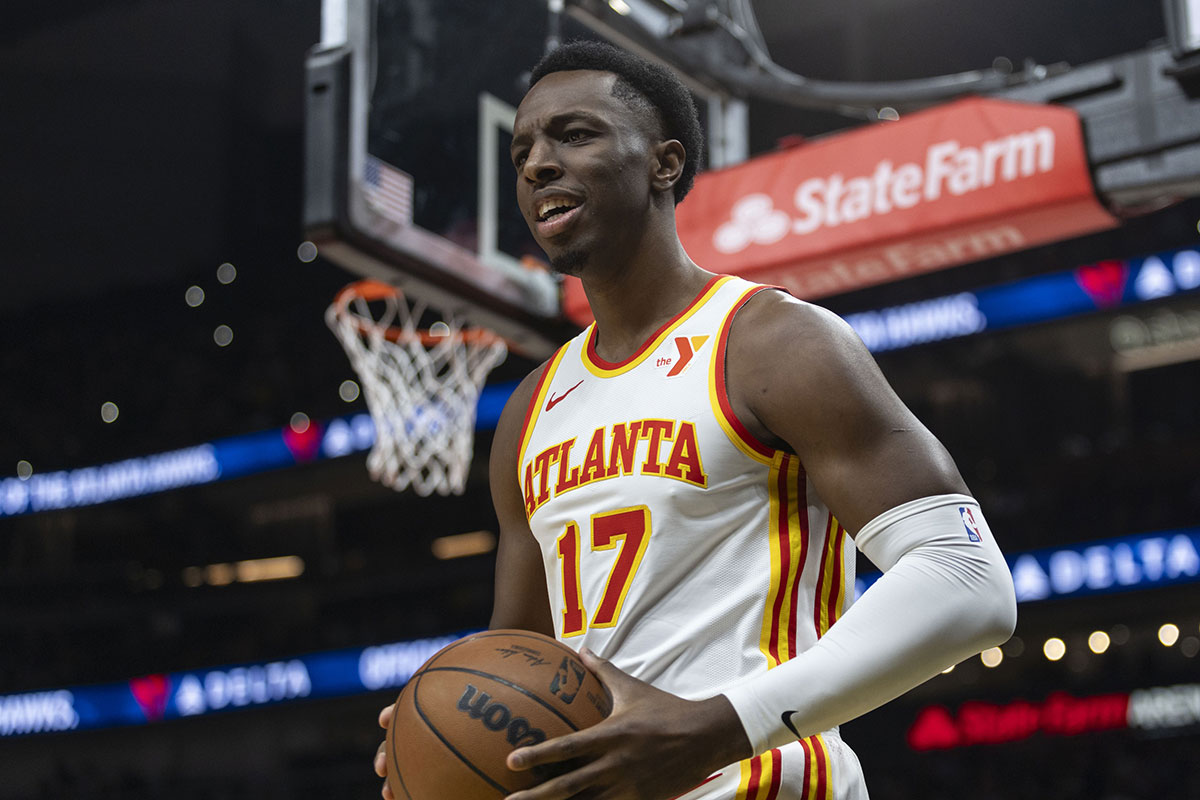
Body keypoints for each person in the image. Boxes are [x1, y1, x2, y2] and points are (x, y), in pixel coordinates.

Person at [375, 40, 1017, 800]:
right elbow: (524, 658)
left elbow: (968, 583)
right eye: (523, 149)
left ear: (664, 164)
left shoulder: (772, 342)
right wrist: (446, 733)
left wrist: (718, 726)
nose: (537, 163)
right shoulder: (530, 409)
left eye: (575, 135)